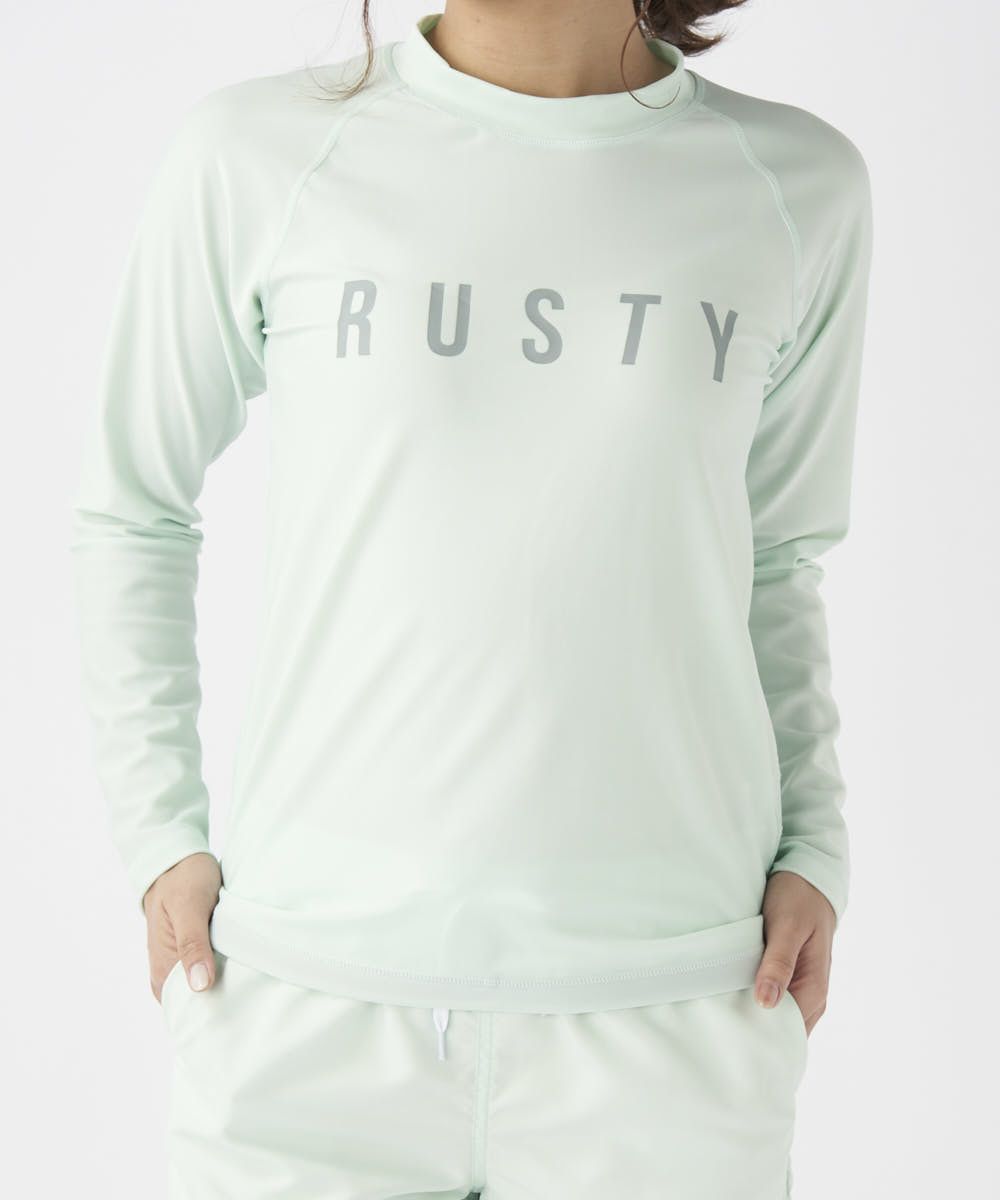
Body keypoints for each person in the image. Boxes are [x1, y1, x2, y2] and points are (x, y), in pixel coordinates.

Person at [70, 1, 874, 1196]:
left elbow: (777, 557)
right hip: (304, 1012)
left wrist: (815, 845)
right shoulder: (259, 152)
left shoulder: (794, 185)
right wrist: (159, 838)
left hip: (673, 1018)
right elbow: (131, 507)